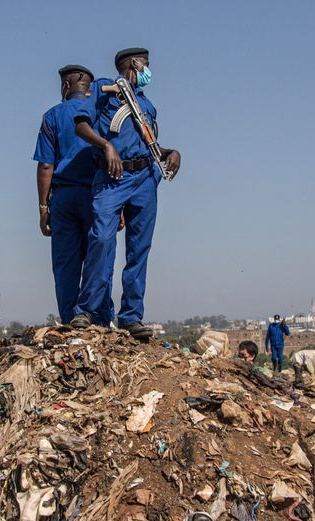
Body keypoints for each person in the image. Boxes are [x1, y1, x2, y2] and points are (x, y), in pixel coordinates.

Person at [68, 47, 181, 340]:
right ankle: (88, 309)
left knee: (139, 248)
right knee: (101, 239)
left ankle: (131, 316)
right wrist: (106, 146)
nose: (148, 70)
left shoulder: (147, 105)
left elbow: (149, 142)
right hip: (112, 177)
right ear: (133, 63)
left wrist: (171, 152)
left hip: (145, 176)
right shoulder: (103, 90)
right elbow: (81, 125)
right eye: (146, 65)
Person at [34, 64, 118, 327]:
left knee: (66, 265)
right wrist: (122, 209)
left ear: (65, 86)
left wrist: (43, 207)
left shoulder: (52, 116)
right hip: (100, 197)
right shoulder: (103, 115)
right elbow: (117, 160)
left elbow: (46, 165)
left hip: (64, 199)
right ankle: (100, 322)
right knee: (100, 262)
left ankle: (72, 323)